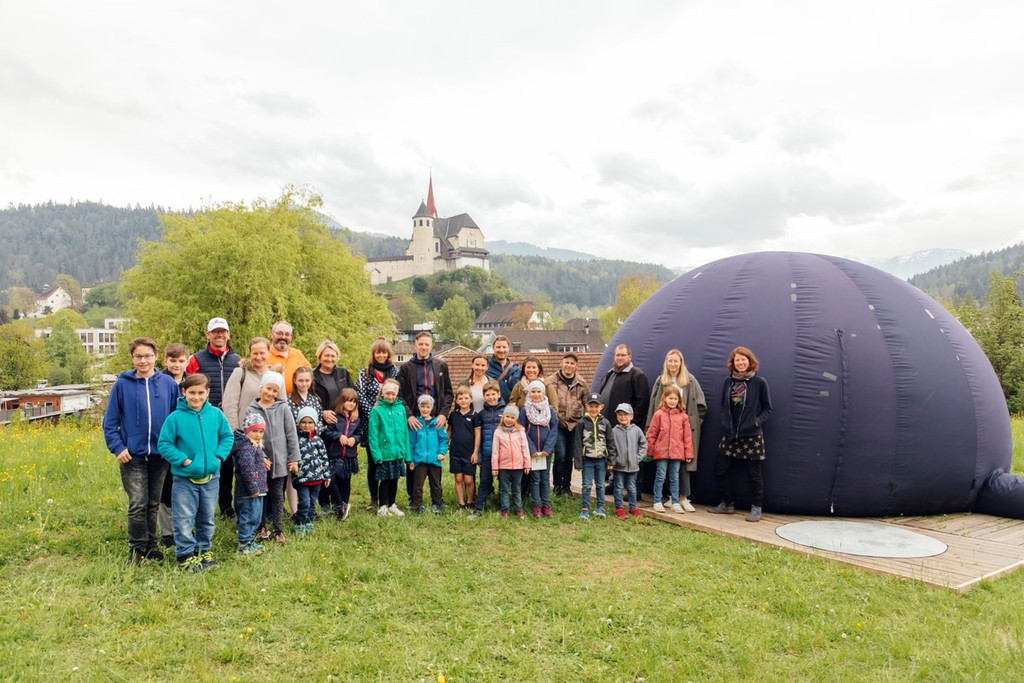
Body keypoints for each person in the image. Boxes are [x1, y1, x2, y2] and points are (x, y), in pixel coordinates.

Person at [102, 337, 180, 567]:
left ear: (155, 357)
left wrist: (171, 447)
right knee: (138, 503)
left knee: (153, 503)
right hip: (132, 456)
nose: (143, 360)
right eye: (138, 356)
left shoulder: (168, 384)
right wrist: (118, 447)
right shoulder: (122, 384)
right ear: (133, 358)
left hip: (160, 455)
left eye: (147, 356)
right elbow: (110, 422)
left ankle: (151, 546)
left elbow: (176, 418)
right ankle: (137, 549)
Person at [157, 373, 234, 573]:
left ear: (207, 392)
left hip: (211, 478)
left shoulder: (216, 415)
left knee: (206, 517)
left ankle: (203, 551)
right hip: (184, 479)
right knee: (184, 517)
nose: (196, 397)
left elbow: (227, 437)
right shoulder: (175, 418)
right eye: (192, 392)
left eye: (201, 393)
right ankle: (185, 555)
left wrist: (218, 458)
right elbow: (164, 444)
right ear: (184, 392)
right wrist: (183, 460)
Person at [709, 346, 772, 522]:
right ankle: (727, 504)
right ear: (733, 363)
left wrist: (756, 422)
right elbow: (723, 406)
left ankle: (756, 508)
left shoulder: (759, 382)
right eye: (737, 360)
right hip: (731, 434)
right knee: (720, 469)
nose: (741, 362)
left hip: (752, 436)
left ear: (750, 362)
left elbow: (767, 409)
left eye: (743, 359)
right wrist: (725, 423)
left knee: (754, 475)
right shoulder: (728, 382)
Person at [397, 331, 453, 503]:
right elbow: (399, 395)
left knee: (434, 459)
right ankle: (413, 498)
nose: (423, 347)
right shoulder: (406, 368)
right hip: (415, 418)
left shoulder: (441, 365)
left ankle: (437, 498)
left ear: (431, 346)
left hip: (435, 419)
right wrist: (408, 415)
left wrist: (443, 414)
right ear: (415, 345)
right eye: (420, 344)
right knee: (414, 458)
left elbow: (449, 393)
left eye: (427, 344)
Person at [221, 336, 274, 518]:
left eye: (262, 353)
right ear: (249, 354)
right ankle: (238, 512)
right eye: (255, 353)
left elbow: (280, 403)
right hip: (244, 436)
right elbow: (229, 404)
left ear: (269, 352)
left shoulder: (274, 375)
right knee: (244, 474)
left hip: (267, 434)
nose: (259, 357)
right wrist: (237, 434)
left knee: (264, 472)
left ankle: (264, 511)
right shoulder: (240, 373)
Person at [647, 349, 707, 512]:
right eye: (670, 361)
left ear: (681, 363)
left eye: (676, 361)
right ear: (666, 363)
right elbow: (653, 405)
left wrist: (694, 422)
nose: (673, 364)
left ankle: (683, 497)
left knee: (683, 464)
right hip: (665, 431)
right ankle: (669, 497)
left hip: (683, 429)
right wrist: (650, 427)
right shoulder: (661, 380)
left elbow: (701, 405)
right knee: (664, 465)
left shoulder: (690, 380)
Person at [245, 371, 300, 543]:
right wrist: (261, 457)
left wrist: (294, 458)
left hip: (280, 461)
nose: (270, 393)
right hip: (259, 461)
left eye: (275, 390)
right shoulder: (251, 409)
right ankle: (261, 527)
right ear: (261, 388)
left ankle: (278, 529)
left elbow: (291, 434)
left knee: (277, 495)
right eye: (268, 388)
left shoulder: (283, 408)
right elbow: (248, 437)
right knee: (261, 494)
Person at [598, 344, 650, 496]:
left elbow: (642, 401)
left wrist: (633, 423)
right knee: (615, 455)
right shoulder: (610, 374)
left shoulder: (636, 375)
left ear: (629, 357)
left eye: (623, 355)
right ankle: (614, 483)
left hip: (629, 427)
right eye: (617, 355)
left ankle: (636, 489)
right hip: (611, 426)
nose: (620, 358)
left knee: (632, 457)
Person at [356, 337, 399, 511]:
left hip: (390, 425)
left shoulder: (395, 372)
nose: (381, 355)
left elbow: (398, 394)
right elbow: (360, 396)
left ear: (389, 354)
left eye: (384, 352)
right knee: (374, 462)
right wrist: (374, 414)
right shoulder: (365, 373)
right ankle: (374, 498)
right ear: (373, 354)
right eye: (377, 353)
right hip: (371, 423)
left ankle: (388, 499)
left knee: (390, 462)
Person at [158, 342, 190, 548]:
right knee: (165, 487)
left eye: (181, 361)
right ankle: (167, 532)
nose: (176, 365)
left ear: (187, 362)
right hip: (165, 440)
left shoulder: (192, 382)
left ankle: (184, 527)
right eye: (172, 360)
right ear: (165, 361)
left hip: (186, 441)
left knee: (184, 487)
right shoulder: (158, 381)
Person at [646, 386, 694, 514]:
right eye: (670, 398)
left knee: (675, 477)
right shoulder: (658, 414)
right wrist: (650, 450)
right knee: (660, 476)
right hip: (661, 452)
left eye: (675, 399)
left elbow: (687, 437)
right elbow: (652, 434)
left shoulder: (683, 416)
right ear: (664, 399)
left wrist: (688, 453)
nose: (673, 401)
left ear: (679, 400)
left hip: (677, 453)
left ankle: (675, 502)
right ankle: (657, 501)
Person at [548, 352, 588, 497]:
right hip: (558, 424)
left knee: (569, 457)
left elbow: (586, 403)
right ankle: (557, 487)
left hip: (575, 425)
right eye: (567, 362)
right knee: (560, 455)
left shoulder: (581, 383)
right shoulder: (551, 381)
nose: (569, 366)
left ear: (576, 366)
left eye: (572, 363)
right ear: (561, 363)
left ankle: (567, 487)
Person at [369, 378, 410, 517]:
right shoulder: (376, 410)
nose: (390, 397)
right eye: (388, 394)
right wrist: (377, 455)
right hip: (385, 453)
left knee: (395, 479)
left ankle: (392, 504)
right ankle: (382, 506)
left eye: (393, 394)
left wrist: (407, 454)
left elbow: (405, 432)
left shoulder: (401, 409)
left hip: (398, 452)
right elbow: (373, 435)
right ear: (382, 393)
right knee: (385, 480)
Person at [288, 365, 325, 519]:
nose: (304, 384)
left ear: (311, 381)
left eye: (307, 380)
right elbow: (288, 423)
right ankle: (295, 510)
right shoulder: (289, 400)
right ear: (295, 381)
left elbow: (320, 421)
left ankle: (310, 510)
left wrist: (314, 433)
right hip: (295, 443)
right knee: (295, 478)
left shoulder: (315, 400)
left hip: (312, 444)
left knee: (311, 479)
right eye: (301, 380)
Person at [231, 412, 269, 556]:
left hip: (257, 489)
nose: (258, 435)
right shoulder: (246, 448)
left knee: (255, 517)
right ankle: (243, 544)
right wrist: (253, 488)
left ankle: (250, 541)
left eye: (261, 431)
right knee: (248, 517)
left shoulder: (254, 446)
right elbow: (247, 470)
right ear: (247, 431)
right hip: (248, 492)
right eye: (254, 431)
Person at [321, 388, 362, 520]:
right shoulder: (335, 417)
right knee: (331, 481)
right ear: (341, 401)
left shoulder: (356, 420)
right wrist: (338, 436)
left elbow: (360, 434)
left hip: (349, 457)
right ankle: (339, 504)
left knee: (345, 482)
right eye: (348, 401)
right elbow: (326, 432)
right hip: (334, 456)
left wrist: (354, 439)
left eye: (354, 402)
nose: (351, 404)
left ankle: (343, 506)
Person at [519, 380, 557, 518]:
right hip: (533, 452)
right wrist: (532, 449)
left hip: (546, 452)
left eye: (539, 391)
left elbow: (554, 429)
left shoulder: (550, 410)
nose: (536, 394)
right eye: (533, 391)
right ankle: (536, 505)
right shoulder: (525, 410)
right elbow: (522, 430)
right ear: (529, 393)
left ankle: (546, 504)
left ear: (543, 393)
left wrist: (548, 448)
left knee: (545, 478)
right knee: (535, 478)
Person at [575, 393, 615, 519]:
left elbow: (611, 442)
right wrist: (578, 462)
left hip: (601, 460)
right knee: (587, 485)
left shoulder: (606, 423)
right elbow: (577, 443)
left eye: (596, 406)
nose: (593, 409)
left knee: (600, 484)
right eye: (591, 406)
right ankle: (585, 508)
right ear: (586, 406)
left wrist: (611, 460)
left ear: (601, 407)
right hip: (587, 459)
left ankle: (600, 508)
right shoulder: (581, 423)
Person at [184, 317, 240, 409]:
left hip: (230, 412)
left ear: (228, 334)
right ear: (208, 334)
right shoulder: (195, 359)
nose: (220, 335)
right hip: (204, 411)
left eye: (223, 331)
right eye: (215, 332)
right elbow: (187, 387)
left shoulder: (238, 360)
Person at [468, 380, 505, 519]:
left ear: (499, 394)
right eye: (488, 395)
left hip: (503, 454)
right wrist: (479, 454)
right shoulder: (481, 414)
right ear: (484, 396)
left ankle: (504, 508)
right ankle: (478, 508)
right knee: (484, 481)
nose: (491, 397)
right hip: (487, 454)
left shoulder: (506, 412)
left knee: (503, 483)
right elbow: (479, 436)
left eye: (493, 394)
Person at [408, 395, 449, 514]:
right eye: (422, 406)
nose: (425, 409)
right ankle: (417, 504)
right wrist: (411, 459)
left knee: (436, 484)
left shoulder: (437, 423)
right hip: (419, 460)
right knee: (418, 484)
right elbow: (411, 443)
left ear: (432, 407)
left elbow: (443, 439)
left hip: (435, 459)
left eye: (428, 407)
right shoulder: (416, 424)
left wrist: (441, 452)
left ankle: (436, 503)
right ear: (418, 407)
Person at [293, 407, 330, 535]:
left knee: (312, 503)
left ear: (315, 424)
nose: (307, 425)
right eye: (303, 422)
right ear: (298, 423)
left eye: (310, 422)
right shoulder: (296, 440)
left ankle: (308, 521)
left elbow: (324, 458)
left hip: (317, 478)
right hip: (302, 478)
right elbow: (292, 456)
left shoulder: (318, 440)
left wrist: (326, 476)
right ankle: (300, 522)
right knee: (304, 502)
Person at [491, 405, 531, 519]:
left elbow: (525, 448)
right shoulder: (498, 432)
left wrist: (527, 464)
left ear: (516, 419)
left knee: (516, 489)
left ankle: (519, 509)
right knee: (504, 489)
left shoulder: (520, 432)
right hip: (503, 466)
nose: (509, 419)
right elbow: (495, 451)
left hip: (518, 466)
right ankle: (505, 510)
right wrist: (495, 467)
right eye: (507, 416)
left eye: (512, 417)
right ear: (503, 417)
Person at [608, 403, 647, 519]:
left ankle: (633, 507)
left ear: (631, 416)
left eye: (625, 414)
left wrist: (637, 458)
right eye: (620, 414)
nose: (623, 417)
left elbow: (643, 445)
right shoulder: (614, 431)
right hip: (619, 467)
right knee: (618, 487)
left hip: (633, 467)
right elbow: (610, 448)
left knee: (632, 487)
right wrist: (614, 460)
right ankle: (619, 508)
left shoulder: (637, 430)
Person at [448, 386, 481, 509]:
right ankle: (461, 503)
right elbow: (450, 430)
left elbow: (478, 435)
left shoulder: (475, 415)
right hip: (455, 452)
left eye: (466, 398)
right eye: (460, 398)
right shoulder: (453, 415)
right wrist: (446, 442)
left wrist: (475, 452)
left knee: (468, 480)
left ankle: (470, 502)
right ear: (457, 400)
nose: (463, 401)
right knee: (458, 479)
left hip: (469, 453)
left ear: (471, 399)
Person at [312, 340, 353, 426]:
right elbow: (307, 400)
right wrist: (322, 412)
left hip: (343, 421)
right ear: (319, 357)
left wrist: (355, 410)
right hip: (322, 422)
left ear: (337, 357)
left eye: (333, 356)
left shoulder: (343, 373)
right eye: (326, 356)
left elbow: (353, 395)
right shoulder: (311, 376)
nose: (329, 359)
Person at [267, 320, 311, 395]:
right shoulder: (264, 355)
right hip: (272, 400)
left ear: (291, 337)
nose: (283, 337)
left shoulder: (297, 354)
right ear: (272, 334)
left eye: (287, 334)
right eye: (279, 333)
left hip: (296, 400)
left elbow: (309, 375)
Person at [486, 335, 520, 403]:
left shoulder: (516, 369)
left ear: (508, 348)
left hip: (511, 407)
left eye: (504, 347)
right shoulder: (486, 368)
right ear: (493, 348)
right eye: (498, 347)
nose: (501, 350)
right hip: (493, 407)